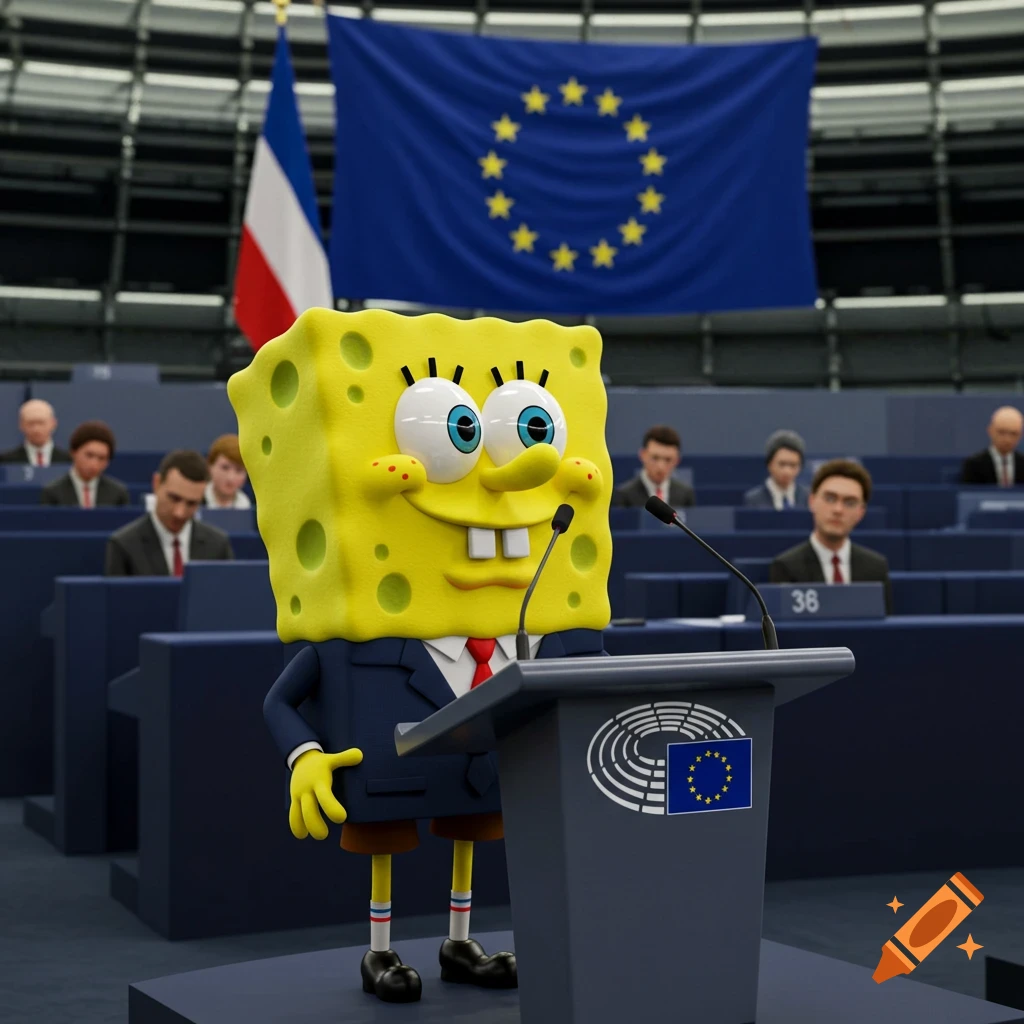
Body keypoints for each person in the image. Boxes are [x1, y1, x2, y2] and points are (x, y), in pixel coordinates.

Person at [769, 459, 892, 613]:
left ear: (861, 513)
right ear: (812, 502)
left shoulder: (876, 568)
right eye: (830, 498)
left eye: (849, 502)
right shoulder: (786, 567)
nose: (838, 509)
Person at [105, 449, 233, 576]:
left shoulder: (218, 546)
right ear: (157, 484)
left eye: (191, 504)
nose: (180, 513)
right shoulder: (123, 546)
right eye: (174, 498)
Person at [40, 421, 129, 507]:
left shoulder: (118, 493)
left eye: (101, 458)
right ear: (73, 453)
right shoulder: (53, 493)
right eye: (89, 455)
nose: (94, 464)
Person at [612, 425, 695, 508]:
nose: (661, 466)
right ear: (643, 455)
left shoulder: (685, 494)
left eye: (668, 459)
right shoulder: (624, 495)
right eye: (655, 458)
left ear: (677, 460)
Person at [744, 430, 811, 510]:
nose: (787, 471)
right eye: (782, 464)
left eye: (793, 465)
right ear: (769, 464)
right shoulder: (753, 500)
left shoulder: (808, 497)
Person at [960, 406, 1024, 486]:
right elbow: (968, 495)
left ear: (1020, 435)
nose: (1007, 439)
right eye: (1002, 432)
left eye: (1013, 434)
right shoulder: (974, 465)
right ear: (990, 431)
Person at [0, 399, 71, 465]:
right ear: (21, 425)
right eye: (31, 423)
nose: (36, 429)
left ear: (53, 423)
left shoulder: (69, 460)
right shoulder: (6, 461)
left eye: (41, 423)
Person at [205, 434, 252, 509]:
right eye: (225, 468)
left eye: (239, 470)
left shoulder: (247, 505)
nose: (231, 478)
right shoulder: (194, 499)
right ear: (210, 466)